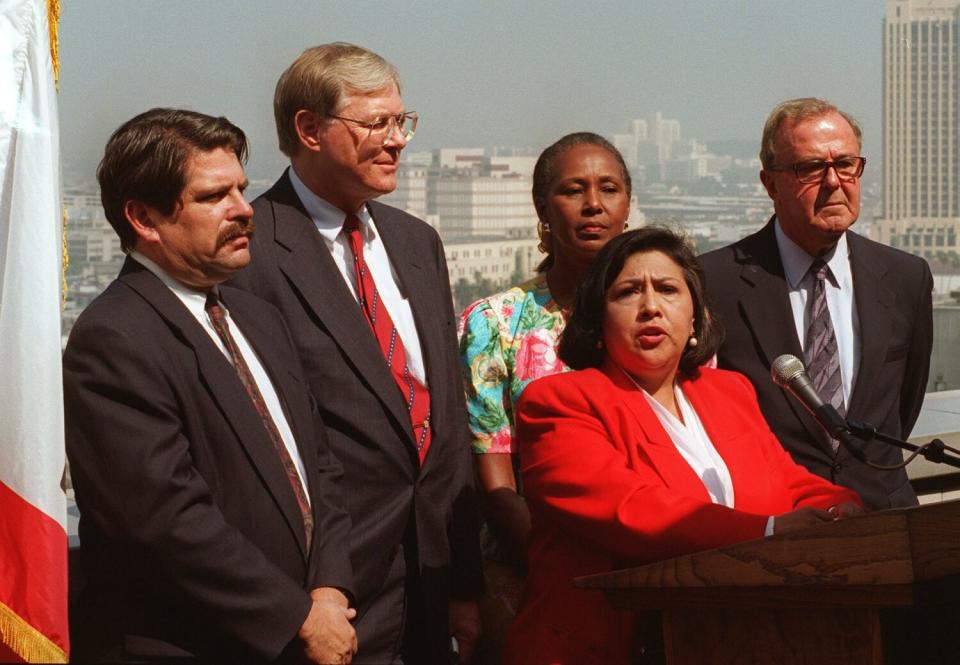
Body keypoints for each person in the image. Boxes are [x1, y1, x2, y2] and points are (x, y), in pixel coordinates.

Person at [64, 109, 356, 663]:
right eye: (213, 196)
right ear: (144, 217)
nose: (244, 210)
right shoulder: (115, 337)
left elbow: (320, 466)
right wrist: (296, 618)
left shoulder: (257, 316)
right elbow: (166, 521)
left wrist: (330, 590)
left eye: (242, 190)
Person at [229, 43, 483, 664]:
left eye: (402, 123)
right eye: (376, 124)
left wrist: (466, 580)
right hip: (326, 595)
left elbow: (445, 426)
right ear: (309, 130)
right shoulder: (250, 251)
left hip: (432, 579)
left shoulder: (415, 242)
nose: (397, 141)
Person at [503, 228, 862, 665]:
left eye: (668, 289)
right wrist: (767, 532)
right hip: (609, 649)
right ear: (598, 319)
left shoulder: (728, 391)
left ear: (695, 317)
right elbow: (630, 511)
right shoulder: (557, 402)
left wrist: (842, 514)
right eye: (628, 292)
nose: (651, 307)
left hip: (739, 641)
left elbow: (788, 483)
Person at [700, 98, 933, 511]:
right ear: (770, 183)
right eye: (810, 168)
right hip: (774, 529)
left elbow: (905, 401)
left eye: (845, 164)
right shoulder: (714, 282)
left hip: (886, 524)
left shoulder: (905, 277)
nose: (833, 182)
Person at [457, 132, 630, 643]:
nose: (593, 205)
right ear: (542, 207)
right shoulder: (496, 323)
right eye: (574, 190)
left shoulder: (666, 313)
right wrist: (570, 566)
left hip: (657, 565)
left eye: (609, 189)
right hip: (537, 571)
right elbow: (496, 484)